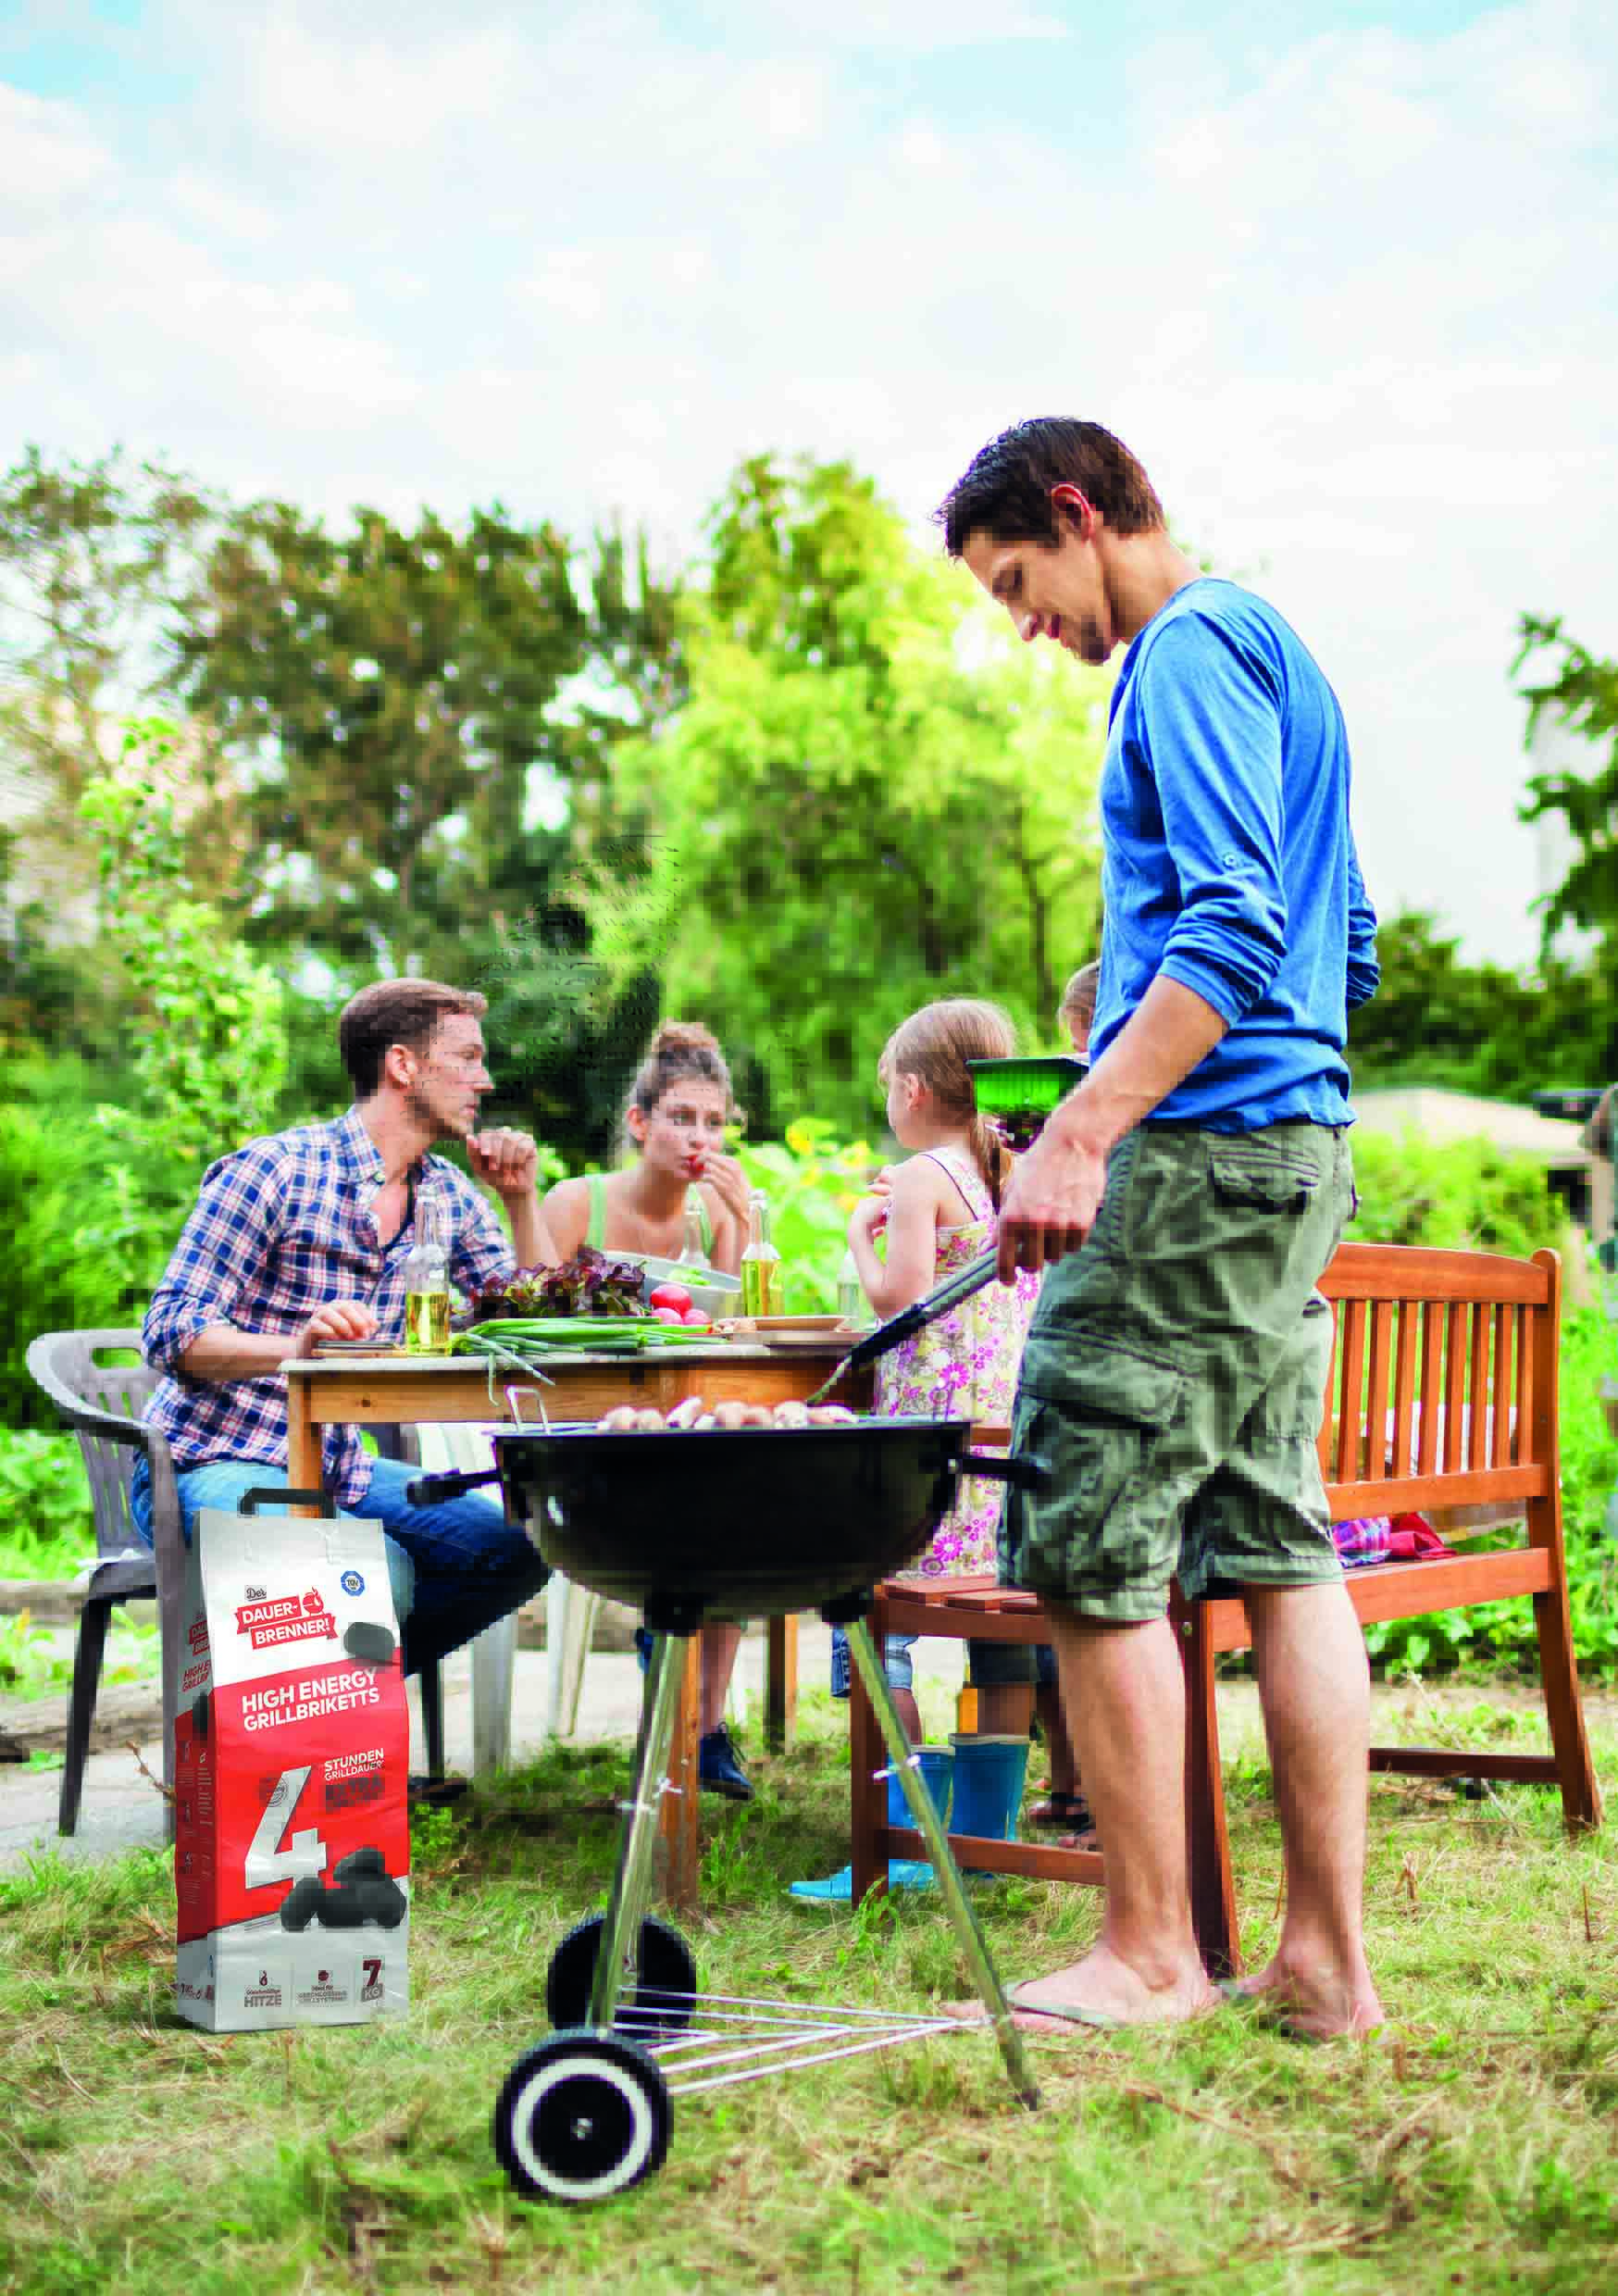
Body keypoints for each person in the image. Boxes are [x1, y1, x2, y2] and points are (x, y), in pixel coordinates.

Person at [938, 417, 1383, 2039]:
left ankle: (1145, 1952)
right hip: (1290, 1149)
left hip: (1191, 1164)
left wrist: (1082, 1124)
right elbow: (1344, 937)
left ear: (1076, 511)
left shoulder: (1181, 652)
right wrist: (1262, 1088)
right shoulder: (1280, 651)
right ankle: (1323, 1966)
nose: (1026, 625)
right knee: (1278, 1544)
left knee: (1085, 1527)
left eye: (1016, 583)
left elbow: (1232, 925)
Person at [132, 978, 557, 1705]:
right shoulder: (276, 1171)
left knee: (511, 1555)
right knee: (376, 1569)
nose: (484, 1080)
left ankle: (338, 1730)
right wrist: (296, 1345)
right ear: (403, 1066)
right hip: (215, 1463)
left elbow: (539, 1322)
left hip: (338, 1469)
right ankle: (314, 1758)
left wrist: (520, 1198)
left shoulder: (449, 1196)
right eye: (468, 1058)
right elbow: (172, 1331)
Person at [792, 998, 1041, 1901]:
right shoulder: (1019, 1172)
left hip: (933, 1462)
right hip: (1005, 1463)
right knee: (998, 1645)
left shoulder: (916, 1175)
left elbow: (896, 1304)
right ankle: (985, 1832)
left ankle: (903, 1840)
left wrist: (861, 1235)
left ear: (909, 1088)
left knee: (869, 1616)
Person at [541, 1020, 758, 1801]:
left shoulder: (711, 1218)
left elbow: (727, 1340)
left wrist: (741, 1230)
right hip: (586, 1433)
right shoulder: (577, 1205)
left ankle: (703, 1729)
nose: (698, 1137)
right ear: (640, 1123)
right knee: (697, 1507)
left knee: (736, 1506)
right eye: (680, 1118)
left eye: (712, 1121)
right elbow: (532, 1318)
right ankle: (679, 1699)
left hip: (677, 1431)